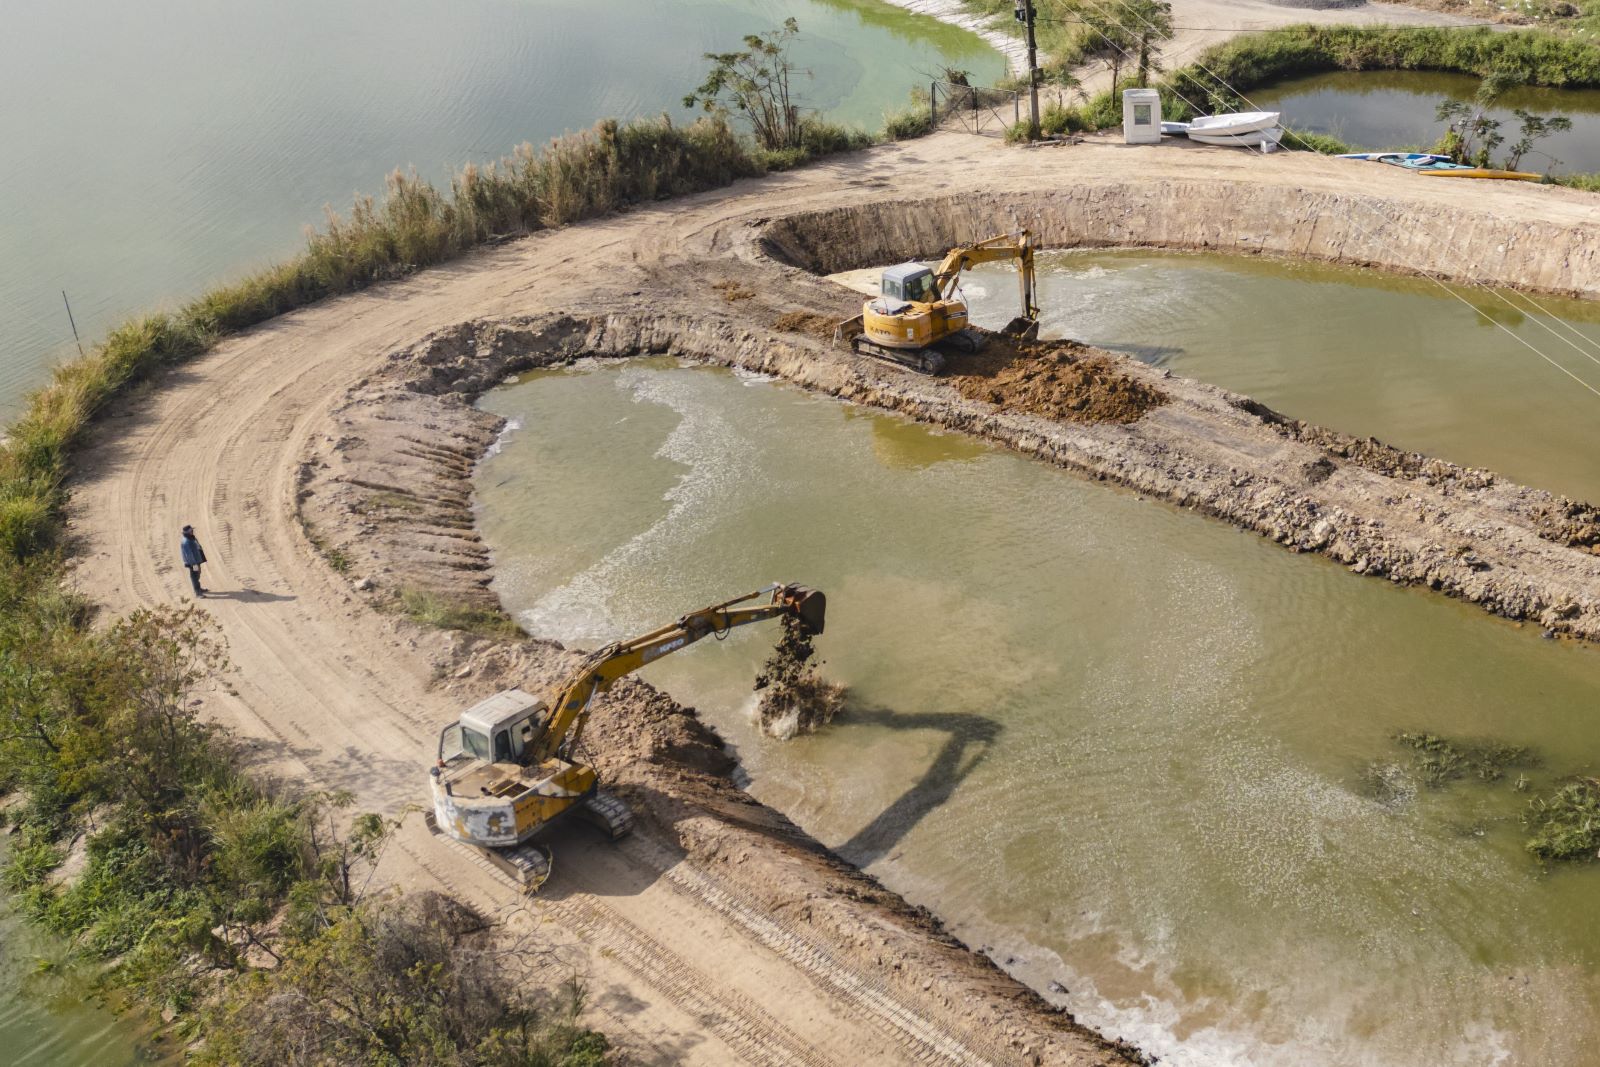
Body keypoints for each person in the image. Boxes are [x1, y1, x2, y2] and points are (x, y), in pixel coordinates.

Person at [180, 525, 208, 597]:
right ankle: (197, 592)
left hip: (196, 559)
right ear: (188, 532)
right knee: (194, 576)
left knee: (198, 573)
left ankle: (198, 588)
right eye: (191, 531)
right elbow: (189, 554)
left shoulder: (191, 538)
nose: (192, 531)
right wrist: (194, 564)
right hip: (192, 562)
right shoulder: (186, 541)